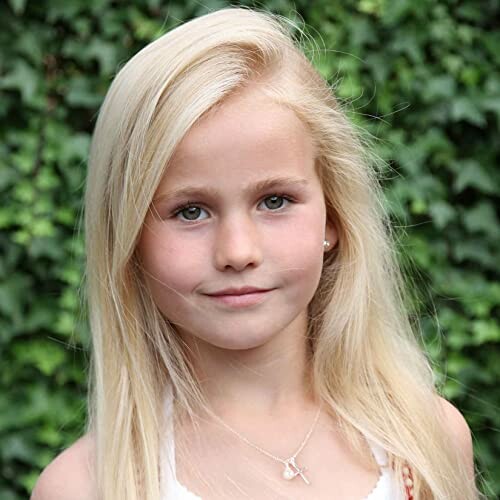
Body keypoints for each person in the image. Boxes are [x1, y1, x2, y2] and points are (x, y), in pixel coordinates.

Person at [31, 6, 478, 500]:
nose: (237, 252)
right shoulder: (88, 487)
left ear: (333, 218)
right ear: (129, 237)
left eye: (275, 201)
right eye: (190, 211)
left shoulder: (425, 443)